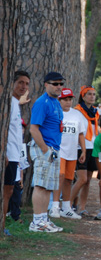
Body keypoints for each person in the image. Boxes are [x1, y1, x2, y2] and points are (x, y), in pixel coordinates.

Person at [28, 72, 66, 233]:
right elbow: (33, 128)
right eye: (54, 83)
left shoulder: (56, 102)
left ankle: (44, 219)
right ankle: (36, 221)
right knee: (40, 185)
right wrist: (45, 149)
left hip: (54, 149)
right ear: (46, 84)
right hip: (45, 148)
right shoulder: (42, 102)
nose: (58, 87)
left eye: (60, 84)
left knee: (48, 186)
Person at [51, 88, 86, 220]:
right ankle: (54, 206)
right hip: (59, 150)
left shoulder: (77, 115)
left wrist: (83, 150)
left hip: (72, 151)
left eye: (70, 99)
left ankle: (66, 207)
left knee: (69, 179)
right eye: (65, 99)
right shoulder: (56, 113)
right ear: (59, 100)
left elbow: (81, 134)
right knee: (60, 175)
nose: (68, 102)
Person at [4, 70, 30, 234]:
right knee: (7, 190)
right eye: (20, 82)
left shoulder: (15, 104)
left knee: (10, 190)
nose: (23, 86)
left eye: (26, 83)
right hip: (8, 155)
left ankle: (3, 224)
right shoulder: (7, 103)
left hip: (15, 154)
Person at [71, 85, 100, 216]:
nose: (92, 96)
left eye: (94, 94)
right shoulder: (77, 111)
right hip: (81, 147)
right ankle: (67, 204)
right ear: (83, 96)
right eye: (89, 94)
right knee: (81, 179)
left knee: (88, 180)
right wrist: (81, 148)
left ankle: (82, 207)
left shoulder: (95, 111)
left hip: (93, 147)